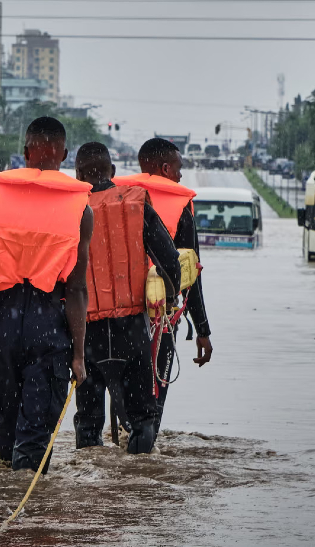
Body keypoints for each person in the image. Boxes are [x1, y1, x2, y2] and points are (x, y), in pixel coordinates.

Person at [0, 117, 93, 472]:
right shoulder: (81, 208)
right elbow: (77, 288)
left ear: (26, 152)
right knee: (35, 435)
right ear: (64, 154)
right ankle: (27, 518)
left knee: (8, 427)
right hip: (48, 323)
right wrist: (79, 354)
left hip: (2, 320)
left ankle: (2, 505)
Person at [73, 142, 181, 454]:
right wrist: (169, 298)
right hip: (132, 330)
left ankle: (89, 488)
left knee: (89, 422)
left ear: (78, 175)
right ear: (114, 172)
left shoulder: (71, 210)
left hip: (86, 335)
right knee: (143, 419)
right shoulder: (137, 204)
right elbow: (170, 261)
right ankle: (138, 483)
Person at [114, 137, 213, 432]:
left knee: (115, 403)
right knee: (151, 406)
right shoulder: (179, 205)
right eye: (179, 169)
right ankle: (143, 465)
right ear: (166, 168)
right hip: (159, 319)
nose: (181, 176)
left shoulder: (116, 197)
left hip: (112, 318)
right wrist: (203, 330)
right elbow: (189, 275)